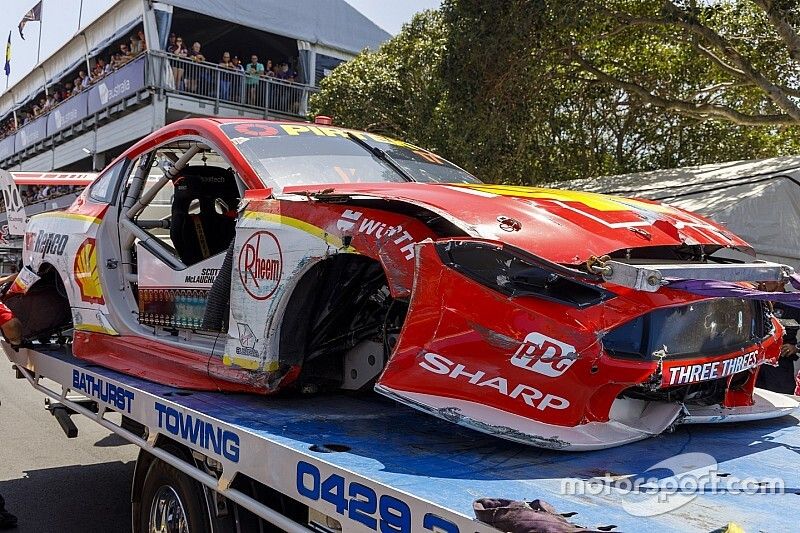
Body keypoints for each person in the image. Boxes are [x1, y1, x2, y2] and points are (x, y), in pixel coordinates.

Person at [756, 281, 800, 393]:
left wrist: (796, 347)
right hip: (755, 363)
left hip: (780, 364)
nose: (762, 283)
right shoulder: (755, 300)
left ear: (781, 282)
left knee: (781, 402)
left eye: (767, 279)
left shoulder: (794, 302)